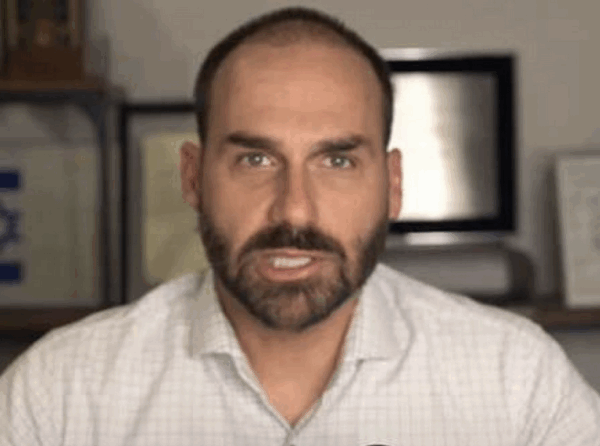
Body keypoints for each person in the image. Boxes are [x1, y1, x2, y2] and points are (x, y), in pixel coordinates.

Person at [1, 6, 599, 445]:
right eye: (255, 160)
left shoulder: (517, 383)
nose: (293, 211)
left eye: (336, 161)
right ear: (193, 177)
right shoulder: (59, 396)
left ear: (393, 184)